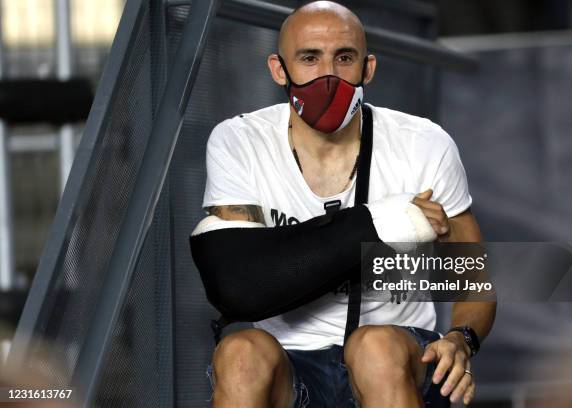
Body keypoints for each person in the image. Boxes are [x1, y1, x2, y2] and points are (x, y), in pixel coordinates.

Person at [195, 1, 496, 407]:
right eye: (309, 58)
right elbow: (237, 284)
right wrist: (381, 224)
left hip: (397, 352)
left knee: (375, 348)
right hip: (288, 363)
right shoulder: (241, 141)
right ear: (278, 69)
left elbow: (473, 277)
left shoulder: (423, 143)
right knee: (239, 354)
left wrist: (461, 340)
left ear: (367, 69)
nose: (328, 75)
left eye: (344, 58)